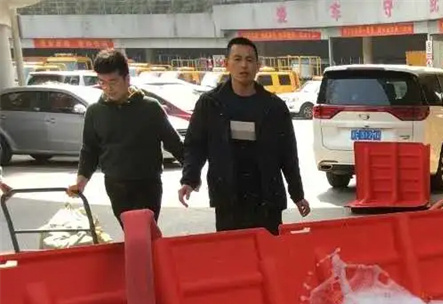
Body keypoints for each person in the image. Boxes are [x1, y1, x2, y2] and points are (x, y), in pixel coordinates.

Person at [178, 36, 310, 235]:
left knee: (268, 259)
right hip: (228, 198)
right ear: (226, 64)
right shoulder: (211, 104)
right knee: (233, 258)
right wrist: (189, 179)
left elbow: (288, 154)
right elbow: (196, 145)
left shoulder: (274, 107)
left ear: (258, 65)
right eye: (237, 59)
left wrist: (297, 194)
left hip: (266, 198)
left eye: (249, 60)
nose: (244, 65)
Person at [68, 48, 184, 223]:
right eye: (102, 82)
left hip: (147, 183)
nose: (108, 88)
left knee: (144, 231)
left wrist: (191, 175)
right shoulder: (95, 112)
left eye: (113, 82)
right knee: (133, 233)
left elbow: (174, 143)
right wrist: (80, 182)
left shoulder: (150, 108)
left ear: (127, 79)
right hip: (115, 185)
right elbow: (89, 151)